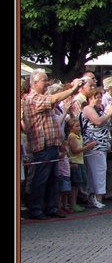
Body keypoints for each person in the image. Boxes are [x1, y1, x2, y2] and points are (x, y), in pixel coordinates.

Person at [22, 70, 82, 220]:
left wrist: (60, 142)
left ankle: (51, 207)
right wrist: (73, 89)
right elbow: (54, 98)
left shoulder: (41, 98)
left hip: (52, 145)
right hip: (42, 146)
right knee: (41, 179)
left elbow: (52, 117)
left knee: (53, 179)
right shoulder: (32, 99)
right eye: (44, 80)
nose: (47, 83)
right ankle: (36, 209)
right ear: (35, 83)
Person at [80, 87, 112, 208]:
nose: (100, 99)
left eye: (101, 97)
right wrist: (109, 113)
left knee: (100, 170)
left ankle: (93, 195)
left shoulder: (99, 109)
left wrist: (111, 112)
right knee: (99, 171)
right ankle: (97, 196)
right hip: (93, 145)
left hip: (103, 144)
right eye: (97, 97)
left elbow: (110, 123)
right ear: (90, 98)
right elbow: (98, 122)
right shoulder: (87, 109)